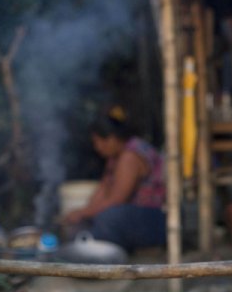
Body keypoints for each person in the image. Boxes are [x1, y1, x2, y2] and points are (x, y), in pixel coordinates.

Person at [62, 107, 166, 252]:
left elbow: (117, 200)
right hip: (134, 217)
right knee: (93, 220)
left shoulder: (130, 157)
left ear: (112, 139)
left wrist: (83, 213)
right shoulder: (114, 157)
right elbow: (103, 190)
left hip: (155, 219)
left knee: (110, 217)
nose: (97, 147)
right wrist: (84, 212)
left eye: (98, 142)